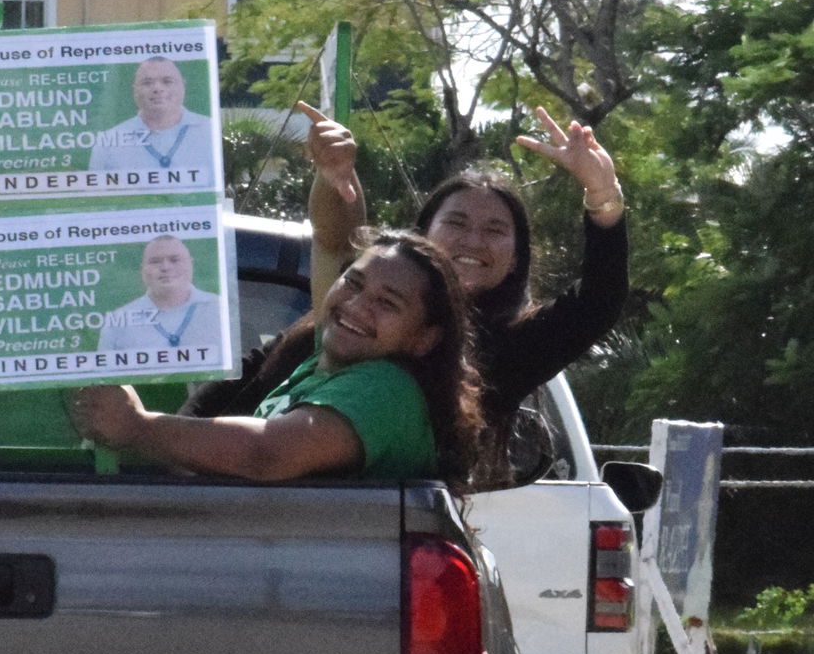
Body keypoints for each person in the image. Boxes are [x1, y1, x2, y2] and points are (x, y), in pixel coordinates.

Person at [188, 103, 629, 454]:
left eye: (495, 231)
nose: (473, 241)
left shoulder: (510, 350)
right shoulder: (344, 316)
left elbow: (598, 302)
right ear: (422, 236)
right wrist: (161, 452)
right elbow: (333, 240)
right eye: (456, 223)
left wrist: (603, 195)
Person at [73, 231, 482, 486]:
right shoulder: (321, 366)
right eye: (352, 282)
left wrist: (138, 428)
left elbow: (266, 454)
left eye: (387, 303)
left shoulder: (387, 387)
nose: (356, 306)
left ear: (425, 339)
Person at [87, 57, 217, 182]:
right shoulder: (108, 142)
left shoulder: (210, 132)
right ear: (135, 90)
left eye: (167, 81)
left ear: (182, 86)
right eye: (147, 83)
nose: (157, 89)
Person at [97, 235, 224, 354]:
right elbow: (104, 375)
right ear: (143, 269)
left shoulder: (221, 309)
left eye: (174, 260)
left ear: (190, 264)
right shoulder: (118, 321)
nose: (165, 267)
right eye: (155, 261)